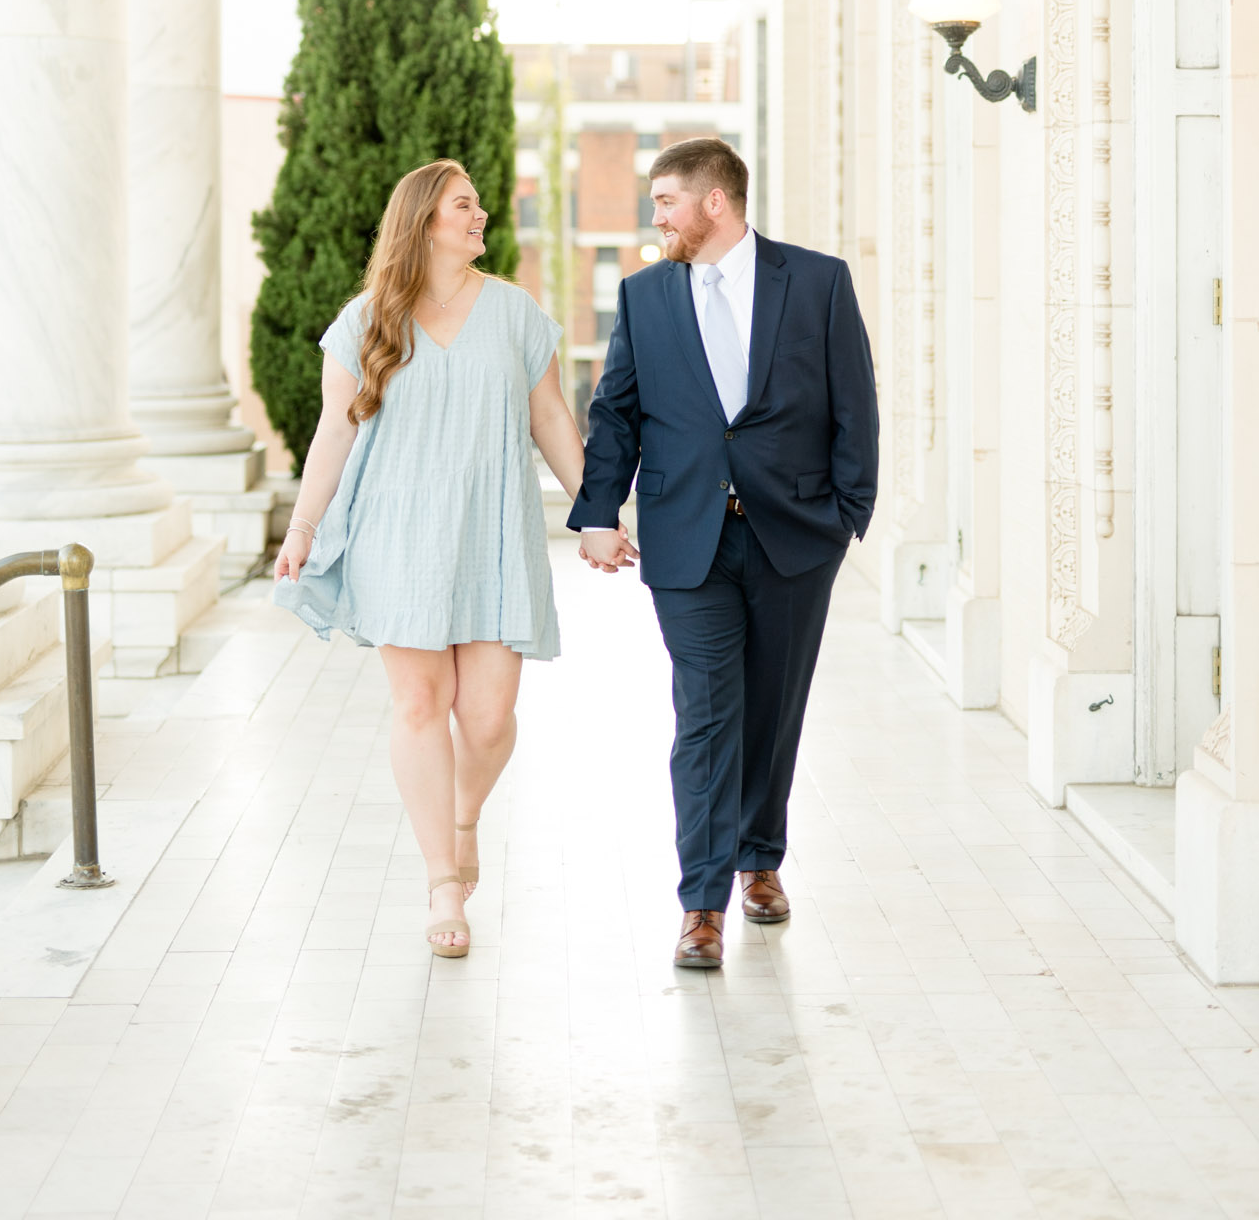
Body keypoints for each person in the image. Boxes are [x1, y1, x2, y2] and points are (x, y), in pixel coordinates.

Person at [570, 137, 878, 969]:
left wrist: (847, 515)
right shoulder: (644, 296)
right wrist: (598, 511)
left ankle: (760, 860)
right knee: (705, 715)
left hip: (795, 537)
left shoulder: (815, 282)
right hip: (687, 542)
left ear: (715, 201)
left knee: (773, 708)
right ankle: (700, 904)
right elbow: (617, 412)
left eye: (665, 200)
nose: (655, 215)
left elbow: (854, 401)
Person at [273, 159, 592, 958]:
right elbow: (334, 433)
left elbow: (550, 416)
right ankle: (441, 881)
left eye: (479, 204)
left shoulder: (516, 313)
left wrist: (595, 513)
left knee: (486, 718)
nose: (481, 214)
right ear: (421, 222)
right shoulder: (364, 321)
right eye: (464, 205)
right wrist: (303, 527)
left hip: (490, 532)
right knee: (419, 705)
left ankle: (461, 816)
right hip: (397, 534)